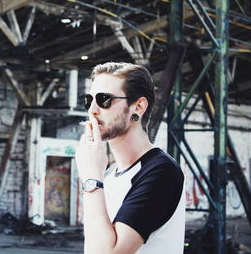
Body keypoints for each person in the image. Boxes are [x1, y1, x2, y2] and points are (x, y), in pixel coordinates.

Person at [75, 62, 185, 254]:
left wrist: (91, 178)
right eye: (89, 100)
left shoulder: (161, 171)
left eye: (104, 99)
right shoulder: (108, 175)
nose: (92, 109)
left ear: (138, 107)